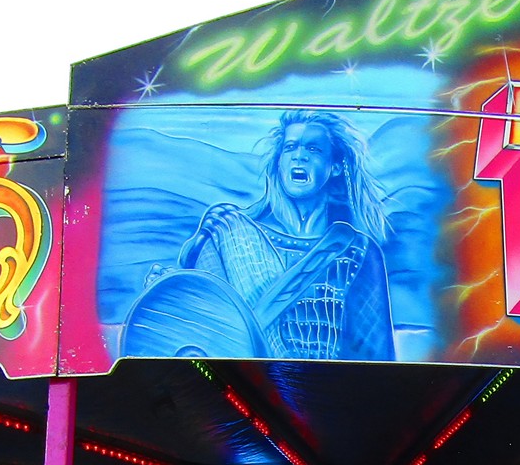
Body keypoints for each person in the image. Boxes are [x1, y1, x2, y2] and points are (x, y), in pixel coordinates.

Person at [125, 109, 394, 362]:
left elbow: (374, 360)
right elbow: (204, 327)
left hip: (321, 400)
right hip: (240, 397)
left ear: (334, 167)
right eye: (290, 148)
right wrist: (166, 292)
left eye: (313, 149)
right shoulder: (226, 232)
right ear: (279, 163)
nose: (299, 156)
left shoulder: (358, 251)